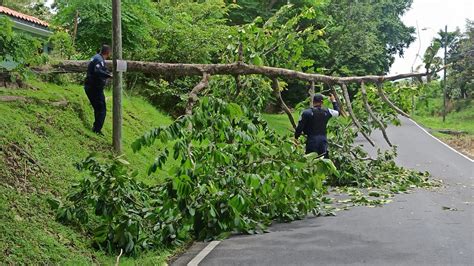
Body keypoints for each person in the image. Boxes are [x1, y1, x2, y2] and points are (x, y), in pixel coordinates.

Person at [295, 93, 339, 158]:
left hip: (312, 140)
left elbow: (300, 127)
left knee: (311, 160)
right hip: (323, 140)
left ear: (313, 102)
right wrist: (333, 101)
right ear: (322, 102)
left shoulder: (306, 113)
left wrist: (296, 137)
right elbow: (338, 112)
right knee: (323, 160)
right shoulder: (327, 111)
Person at [84, 45, 112, 135]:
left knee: (98, 108)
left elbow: (102, 69)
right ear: (108, 53)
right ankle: (97, 130)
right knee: (101, 109)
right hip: (94, 88)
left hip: (91, 87)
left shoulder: (97, 58)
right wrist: (109, 76)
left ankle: (96, 127)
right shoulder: (99, 59)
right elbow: (98, 71)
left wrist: (107, 73)